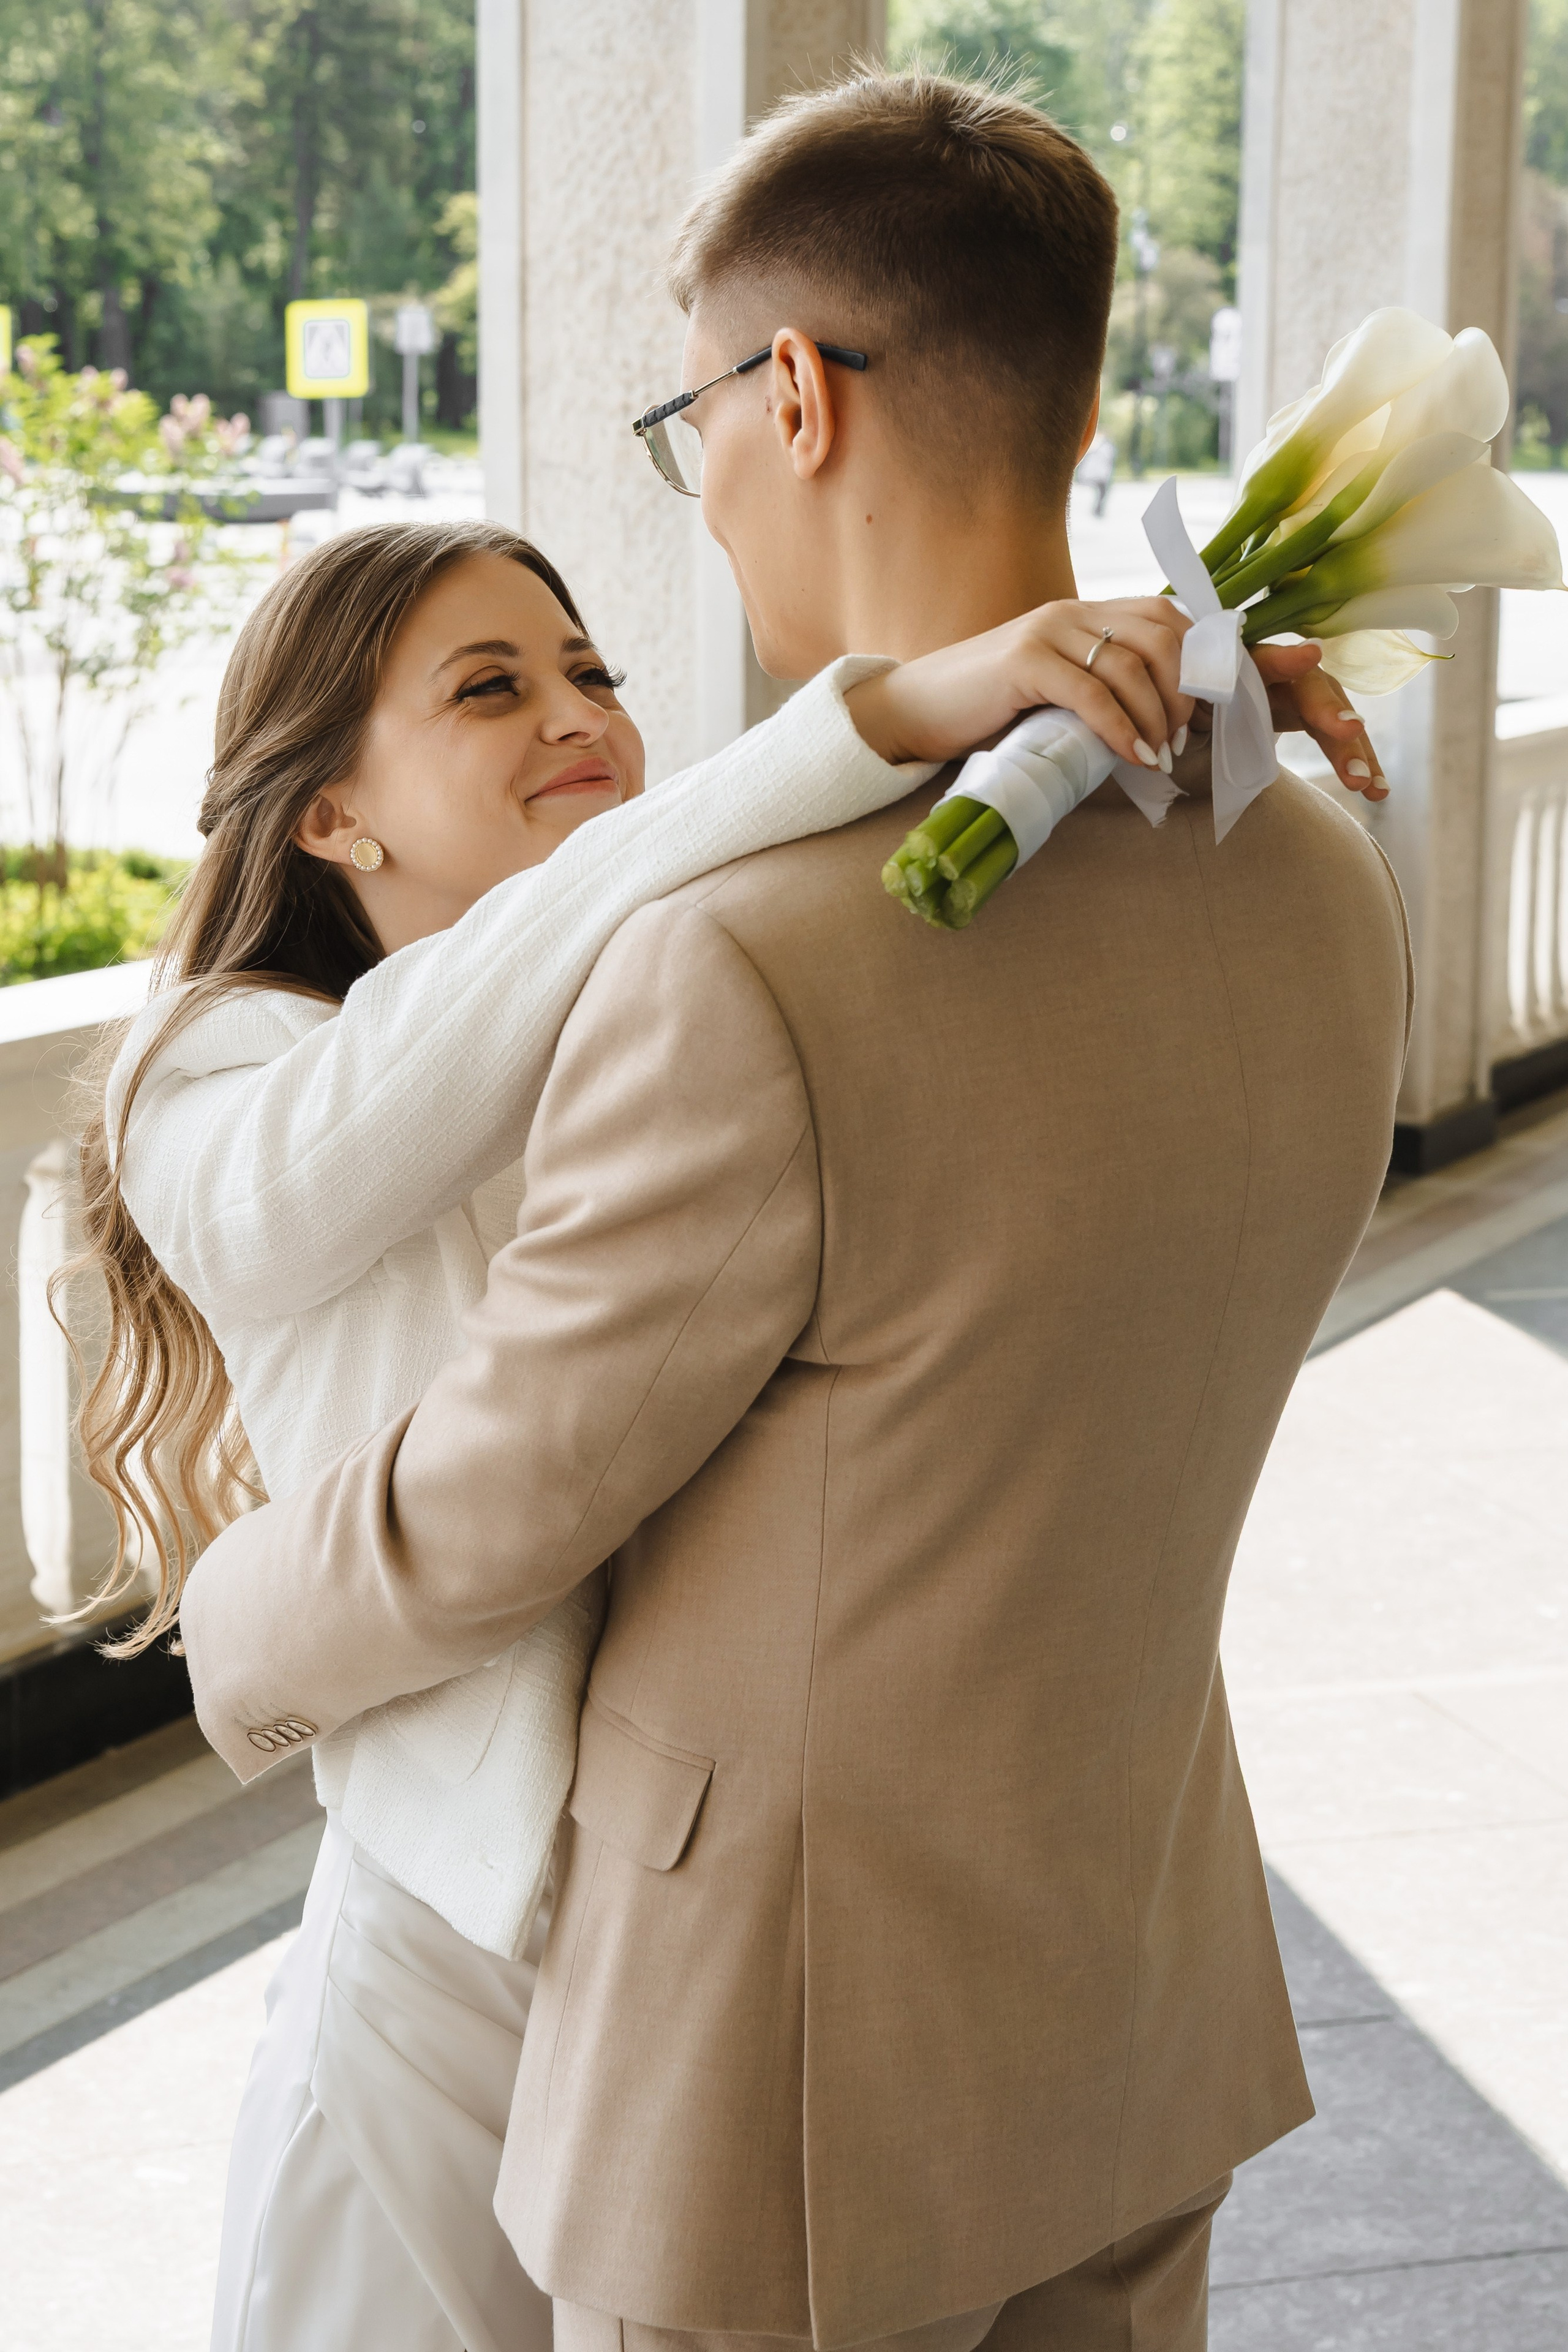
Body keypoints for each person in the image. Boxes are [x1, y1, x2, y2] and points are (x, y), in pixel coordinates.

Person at [173, 70, 1407, 2352]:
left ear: (798, 397)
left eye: (692, 426)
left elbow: (497, 1502)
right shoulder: (1316, 867)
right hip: (1136, 1991)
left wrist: (228, 1625)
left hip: (801, 2096)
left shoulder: (755, 960)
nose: (706, 488)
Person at [81, 513, 1242, 2352]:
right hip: (454, 1933)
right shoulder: (217, 1077)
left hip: (716, 1918)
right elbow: (342, 1154)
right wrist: (877, 711)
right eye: (490, 690)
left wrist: (1112, 746)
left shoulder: (664, 995)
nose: (581, 717)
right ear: (329, 814)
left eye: (591, 673)